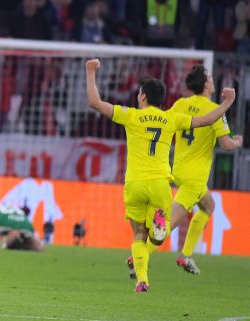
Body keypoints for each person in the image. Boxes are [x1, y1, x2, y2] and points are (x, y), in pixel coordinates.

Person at [85, 58, 235, 292]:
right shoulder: (170, 119)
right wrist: (227, 102)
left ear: (142, 96)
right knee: (158, 236)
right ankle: (160, 232)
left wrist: (90, 71)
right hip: (159, 185)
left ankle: (142, 280)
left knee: (138, 233)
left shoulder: (131, 115)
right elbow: (207, 119)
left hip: (134, 185)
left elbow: (95, 102)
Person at [128, 65, 243, 277]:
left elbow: (163, 121)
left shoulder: (180, 104)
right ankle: (140, 255)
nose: (212, 80)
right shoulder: (215, 109)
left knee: (209, 205)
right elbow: (226, 145)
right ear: (207, 84)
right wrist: (237, 142)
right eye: (209, 77)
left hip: (178, 169)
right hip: (196, 176)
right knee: (167, 223)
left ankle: (186, 255)